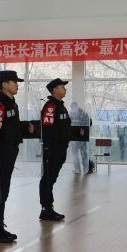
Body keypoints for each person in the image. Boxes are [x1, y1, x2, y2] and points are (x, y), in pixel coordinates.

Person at [0, 70, 24, 244]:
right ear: (4, 84)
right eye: (14, 82)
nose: (17, 85)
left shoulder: (11, 103)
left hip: (10, 152)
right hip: (1, 154)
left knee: (4, 190)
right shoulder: (0, 104)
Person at [38, 77, 72, 221]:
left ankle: (48, 208)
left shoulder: (60, 106)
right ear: (55, 90)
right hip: (52, 149)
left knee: (51, 179)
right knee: (47, 179)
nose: (65, 89)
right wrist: (48, 148)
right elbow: (47, 129)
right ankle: (46, 209)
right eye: (62, 87)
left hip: (60, 149)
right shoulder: (51, 107)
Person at [70, 103, 94, 174]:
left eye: (73, 107)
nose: (72, 109)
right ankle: (78, 169)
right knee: (75, 154)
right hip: (74, 137)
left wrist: (83, 131)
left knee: (83, 154)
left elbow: (88, 123)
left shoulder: (83, 113)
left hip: (81, 137)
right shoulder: (71, 114)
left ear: (77, 107)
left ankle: (86, 169)